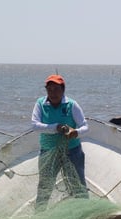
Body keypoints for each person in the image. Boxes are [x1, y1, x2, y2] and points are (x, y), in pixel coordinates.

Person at [31, 74, 89, 211]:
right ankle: (39, 213)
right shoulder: (40, 104)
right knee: (45, 185)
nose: (53, 93)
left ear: (63, 90)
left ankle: (84, 211)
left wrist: (76, 132)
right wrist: (55, 127)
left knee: (78, 184)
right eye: (49, 89)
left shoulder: (72, 105)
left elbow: (85, 126)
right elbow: (34, 125)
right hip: (48, 151)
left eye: (56, 89)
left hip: (72, 151)